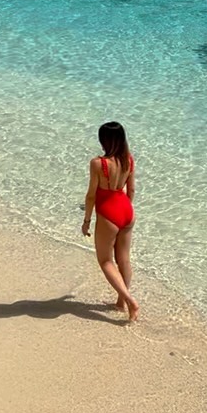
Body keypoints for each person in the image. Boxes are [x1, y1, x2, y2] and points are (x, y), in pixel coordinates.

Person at [82, 121, 139, 321]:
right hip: (126, 210)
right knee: (123, 259)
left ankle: (130, 301)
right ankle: (120, 303)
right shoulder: (129, 160)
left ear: (103, 140)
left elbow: (91, 196)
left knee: (106, 260)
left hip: (108, 212)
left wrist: (87, 220)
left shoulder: (98, 163)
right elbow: (131, 189)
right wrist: (124, 208)